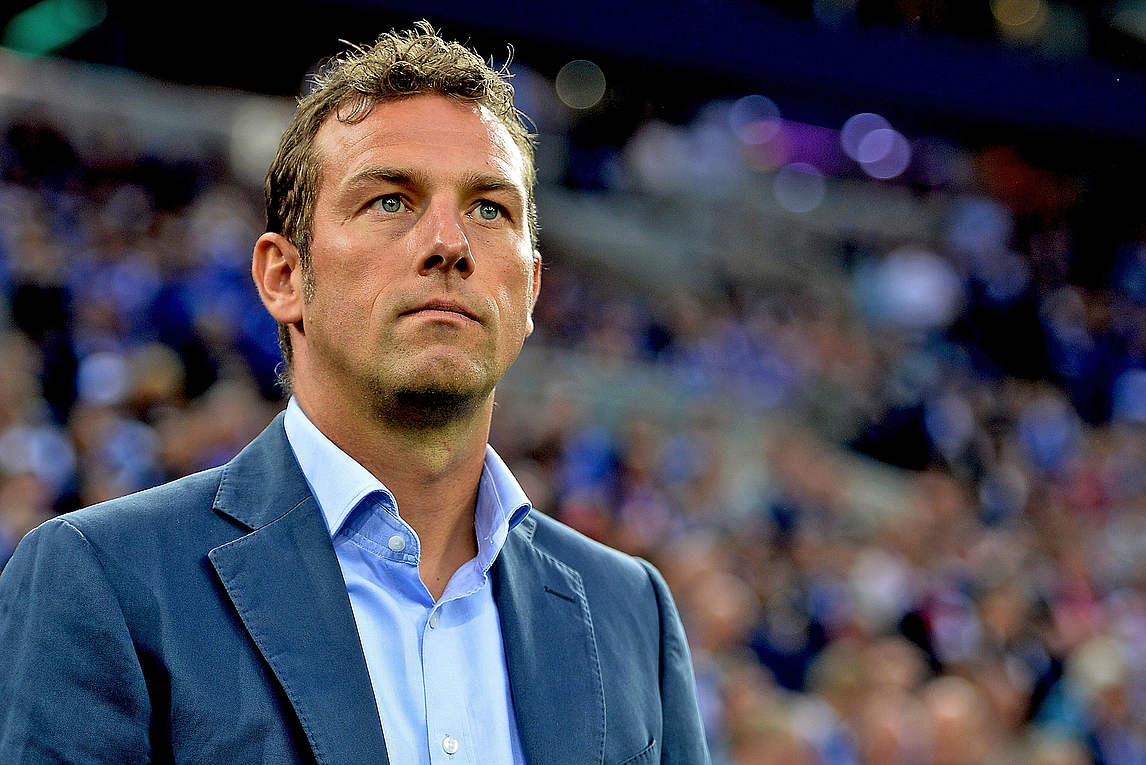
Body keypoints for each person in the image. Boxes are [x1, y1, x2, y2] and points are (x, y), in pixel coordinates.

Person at [0, 22, 710, 765]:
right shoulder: (104, 578)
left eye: (489, 208)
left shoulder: (631, 611)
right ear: (284, 277)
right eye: (391, 201)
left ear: (531, 287)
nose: (450, 243)